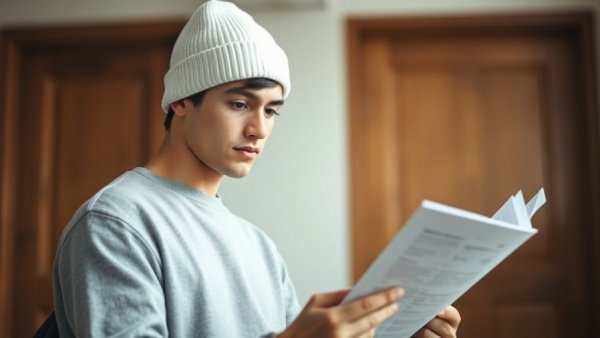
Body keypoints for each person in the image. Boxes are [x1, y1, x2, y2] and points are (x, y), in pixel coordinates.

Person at [52, 1, 461, 337]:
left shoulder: (259, 246)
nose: (259, 129)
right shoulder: (115, 222)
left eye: (271, 110)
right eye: (239, 104)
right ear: (180, 101)